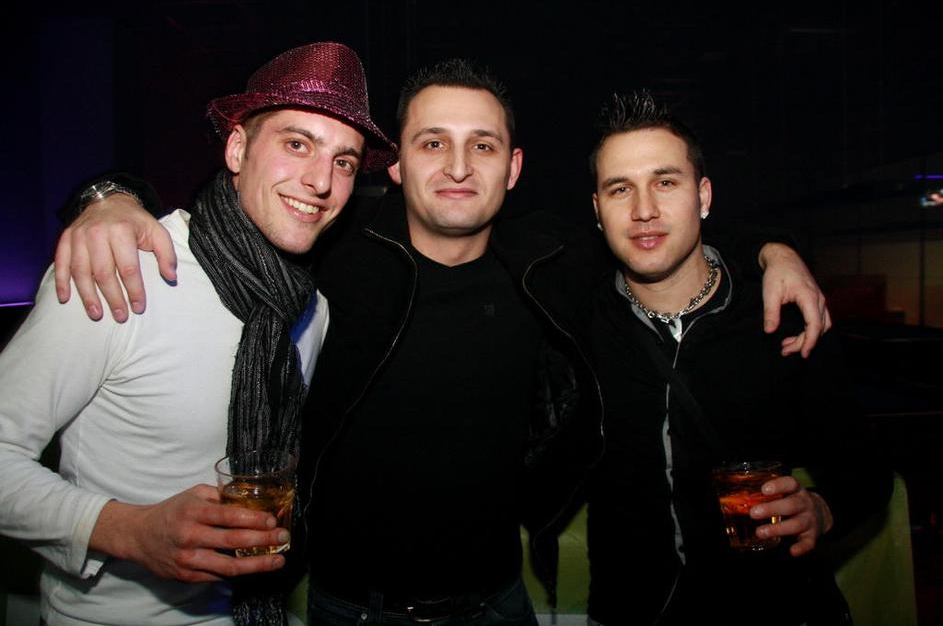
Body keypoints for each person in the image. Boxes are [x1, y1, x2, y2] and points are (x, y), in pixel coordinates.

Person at [51, 61, 830, 625]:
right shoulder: (330, 250)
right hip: (349, 607)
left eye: (482, 146)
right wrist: (109, 197)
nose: (458, 166)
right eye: (432, 143)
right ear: (395, 163)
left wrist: (771, 249)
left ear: (513, 167)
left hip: (500, 602)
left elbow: (661, 230)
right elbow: (231, 213)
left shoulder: (551, 262)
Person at [0, 41, 395, 625]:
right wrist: (127, 530)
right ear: (237, 148)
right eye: (296, 144)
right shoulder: (124, 266)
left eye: (344, 162)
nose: (320, 181)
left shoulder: (312, 311)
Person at [573, 90, 891, 625]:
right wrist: (775, 246)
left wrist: (823, 507)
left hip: (773, 607)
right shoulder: (577, 320)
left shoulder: (779, 317)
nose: (644, 210)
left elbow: (866, 468)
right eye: (620, 188)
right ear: (598, 211)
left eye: (665, 182)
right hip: (633, 609)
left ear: (703, 196)